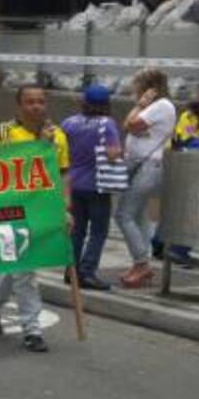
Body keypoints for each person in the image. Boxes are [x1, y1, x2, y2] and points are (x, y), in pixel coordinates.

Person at [0, 86, 70, 353]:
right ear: (19, 105)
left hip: (41, 207)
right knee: (25, 267)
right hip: (10, 207)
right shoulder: (3, 133)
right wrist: (39, 145)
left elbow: (63, 173)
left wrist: (65, 208)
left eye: (41, 101)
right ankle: (32, 328)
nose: (36, 106)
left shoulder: (58, 135)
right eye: (30, 102)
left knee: (20, 264)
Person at [114, 68, 176, 288]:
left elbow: (130, 125)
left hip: (150, 166)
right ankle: (140, 262)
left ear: (150, 88)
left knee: (123, 214)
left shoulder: (161, 106)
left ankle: (142, 264)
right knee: (138, 215)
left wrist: (140, 105)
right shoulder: (153, 107)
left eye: (137, 84)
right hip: (143, 165)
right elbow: (128, 126)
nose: (134, 89)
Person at [61, 85, 122, 290]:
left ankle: (71, 271)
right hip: (97, 185)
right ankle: (87, 272)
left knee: (76, 230)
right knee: (98, 231)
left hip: (72, 184)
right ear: (106, 104)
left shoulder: (68, 123)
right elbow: (112, 154)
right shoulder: (107, 124)